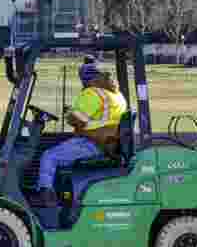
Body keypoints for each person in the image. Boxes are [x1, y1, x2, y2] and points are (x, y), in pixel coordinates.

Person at [33, 62, 128, 207]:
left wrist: (70, 114)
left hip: (92, 143)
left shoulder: (92, 93)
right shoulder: (116, 93)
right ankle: (60, 194)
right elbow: (96, 116)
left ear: (87, 79)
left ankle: (46, 197)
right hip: (108, 143)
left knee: (49, 157)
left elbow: (77, 121)